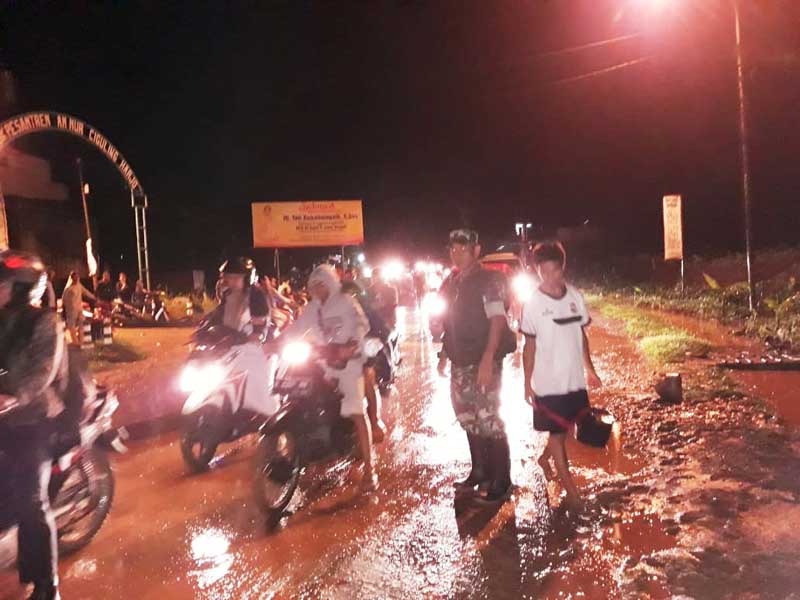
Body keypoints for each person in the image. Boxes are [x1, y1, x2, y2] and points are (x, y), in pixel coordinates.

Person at [0, 250, 68, 600]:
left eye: (3, 283)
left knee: (31, 501)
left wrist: (13, 396)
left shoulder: (46, 323)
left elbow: (42, 371)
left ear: (23, 287)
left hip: (34, 420)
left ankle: (47, 585)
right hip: (3, 421)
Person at [432, 229, 516, 504]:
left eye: (463, 249)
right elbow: (449, 321)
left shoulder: (490, 280)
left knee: (488, 417)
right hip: (460, 359)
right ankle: (479, 471)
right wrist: (445, 353)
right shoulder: (452, 281)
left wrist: (488, 358)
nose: (457, 254)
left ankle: (501, 480)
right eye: (453, 249)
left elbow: (496, 320)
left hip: (482, 359)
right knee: (467, 416)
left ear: (476, 251)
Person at [520, 242, 602, 510]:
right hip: (548, 384)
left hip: (573, 379)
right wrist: (527, 383)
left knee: (567, 425)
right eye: (543, 272)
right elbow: (528, 346)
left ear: (562, 267)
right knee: (557, 435)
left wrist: (590, 369)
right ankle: (572, 493)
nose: (549, 278)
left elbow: (581, 335)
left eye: (553, 271)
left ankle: (545, 459)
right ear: (537, 271)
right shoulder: (532, 304)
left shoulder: (575, 298)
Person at [284, 265, 378, 491]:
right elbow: (295, 329)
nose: (318, 289)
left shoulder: (346, 301)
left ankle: (370, 468)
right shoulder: (311, 309)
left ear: (331, 283)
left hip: (347, 362)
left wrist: (352, 344)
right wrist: (274, 344)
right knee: (297, 391)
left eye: (322, 284)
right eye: (314, 286)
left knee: (356, 411)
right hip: (323, 361)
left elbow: (361, 324)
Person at [205, 258, 279, 416]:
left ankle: (266, 406)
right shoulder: (228, 295)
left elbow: (261, 322)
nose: (231, 281)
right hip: (235, 341)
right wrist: (204, 329)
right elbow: (218, 315)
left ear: (247, 278)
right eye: (229, 277)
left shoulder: (256, 295)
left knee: (257, 366)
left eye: (236, 277)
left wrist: (256, 335)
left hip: (260, 341)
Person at [61, 271, 95, 345]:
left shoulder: (79, 285)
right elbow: (64, 299)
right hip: (71, 310)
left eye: (77, 277)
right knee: (72, 326)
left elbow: (85, 292)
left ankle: (81, 341)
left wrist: (93, 297)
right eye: (75, 278)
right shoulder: (68, 288)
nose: (77, 279)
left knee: (80, 324)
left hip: (79, 308)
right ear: (72, 278)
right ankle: (76, 342)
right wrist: (68, 307)